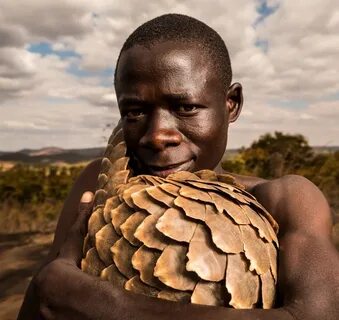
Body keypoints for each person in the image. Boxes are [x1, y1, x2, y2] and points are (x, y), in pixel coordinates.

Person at [18, 14, 339, 320]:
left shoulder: (285, 200)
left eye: (186, 107)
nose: (158, 135)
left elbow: (318, 314)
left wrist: (106, 307)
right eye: (134, 112)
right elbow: (48, 298)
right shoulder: (100, 183)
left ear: (231, 104)